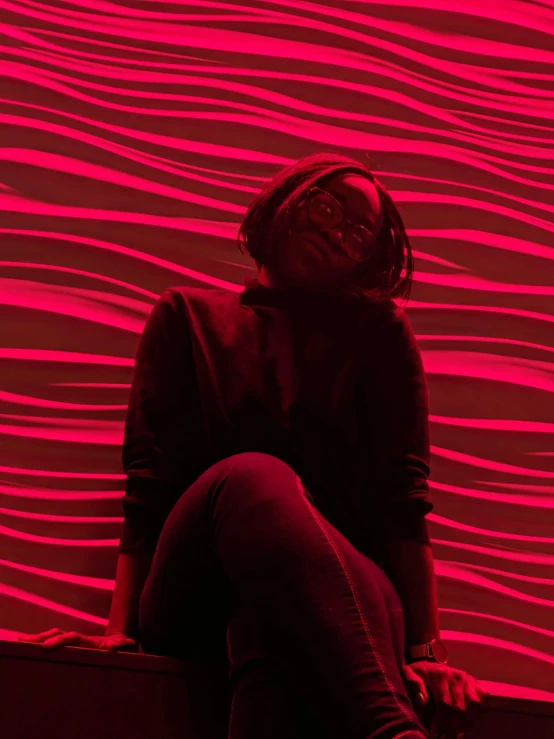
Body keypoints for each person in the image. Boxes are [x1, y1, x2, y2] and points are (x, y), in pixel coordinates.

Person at [18, 152, 486, 739]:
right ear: (286, 199)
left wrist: (427, 651)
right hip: (195, 596)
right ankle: (392, 732)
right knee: (252, 476)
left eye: (357, 232)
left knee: (268, 627)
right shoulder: (186, 318)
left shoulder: (379, 334)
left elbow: (403, 503)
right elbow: (148, 492)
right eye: (326, 206)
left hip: (351, 600)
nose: (335, 231)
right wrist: (122, 634)